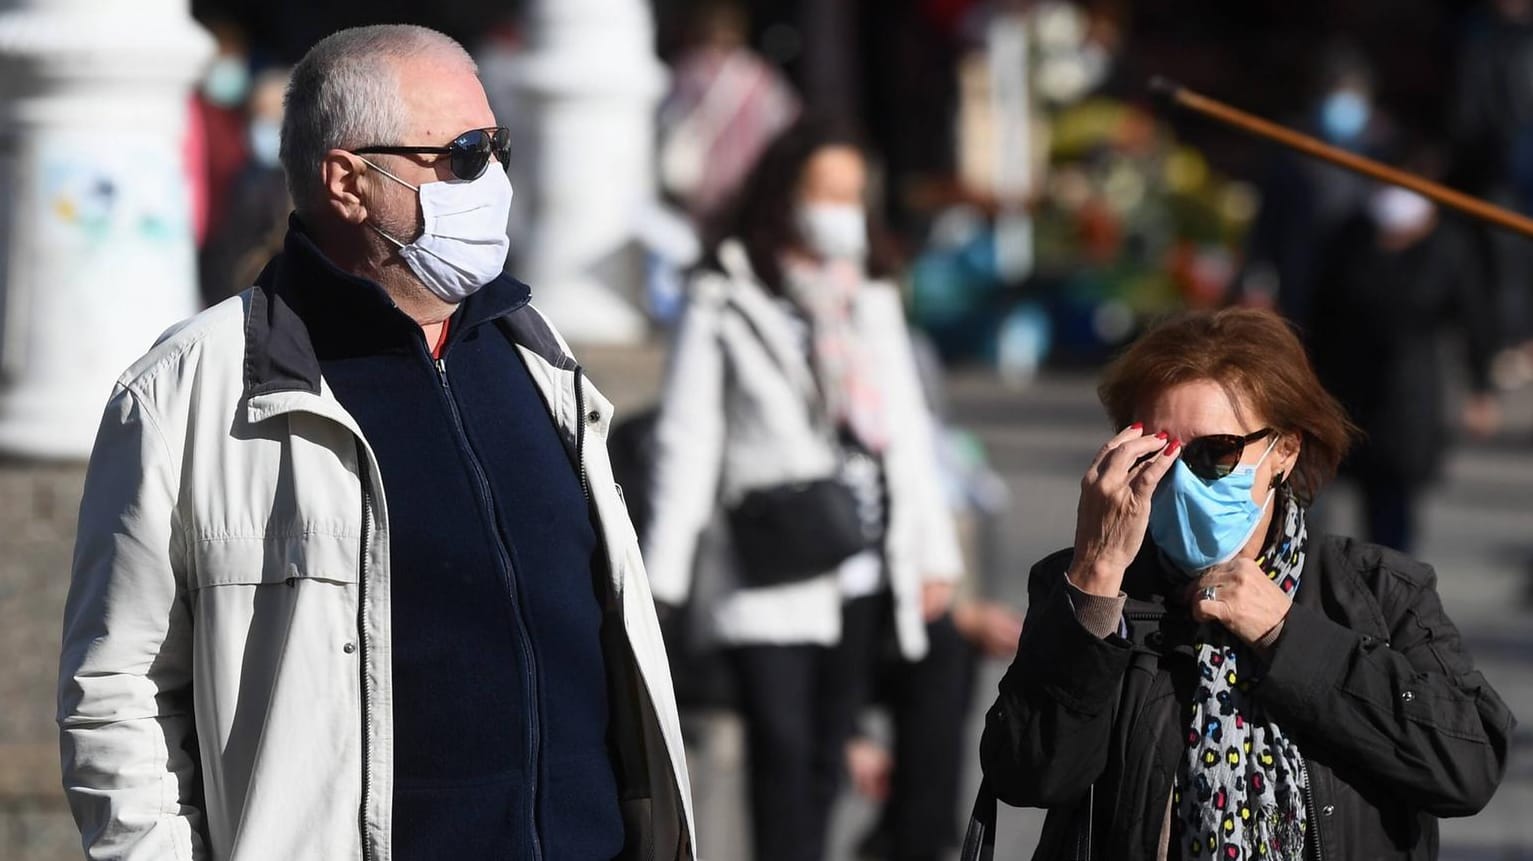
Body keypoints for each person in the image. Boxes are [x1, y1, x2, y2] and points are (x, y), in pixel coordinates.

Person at [58, 25, 693, 861]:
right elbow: (116, 694)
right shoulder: (187, 392)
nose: (493, 178)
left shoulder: (540, 358)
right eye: (464, 154)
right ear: (349, 182)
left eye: (498, 147)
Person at [978, 308, 1514, 860]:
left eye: (1217, 452)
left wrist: (1287, 634)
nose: (1181, 478)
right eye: (1157, 451)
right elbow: (1028, 776)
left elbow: (1468, 763)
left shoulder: (1378, 590)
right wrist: (1095, 579)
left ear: (1284, 451)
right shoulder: (1087, 585)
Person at [642, 117, 963, 861]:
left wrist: (934, 551)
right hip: (770, 562)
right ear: (782, 194)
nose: (840, 209)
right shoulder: (722, 291)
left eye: (853, 193)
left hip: (863, 555)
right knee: (783, 757)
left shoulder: (869, 292)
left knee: (827, 752)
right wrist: (662, 577)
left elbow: (908, 432)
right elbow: (689, 439)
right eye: (825, 191)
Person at [1309, 181, 1500, 553]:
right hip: (1340, 386)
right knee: (1315, 507)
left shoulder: (1446, 247)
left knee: (1391, 514)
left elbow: (1475, 320)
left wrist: (1481, 389)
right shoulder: (1348, 237)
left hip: (1406, 397)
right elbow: (1316, 312)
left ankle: (1385, 597)